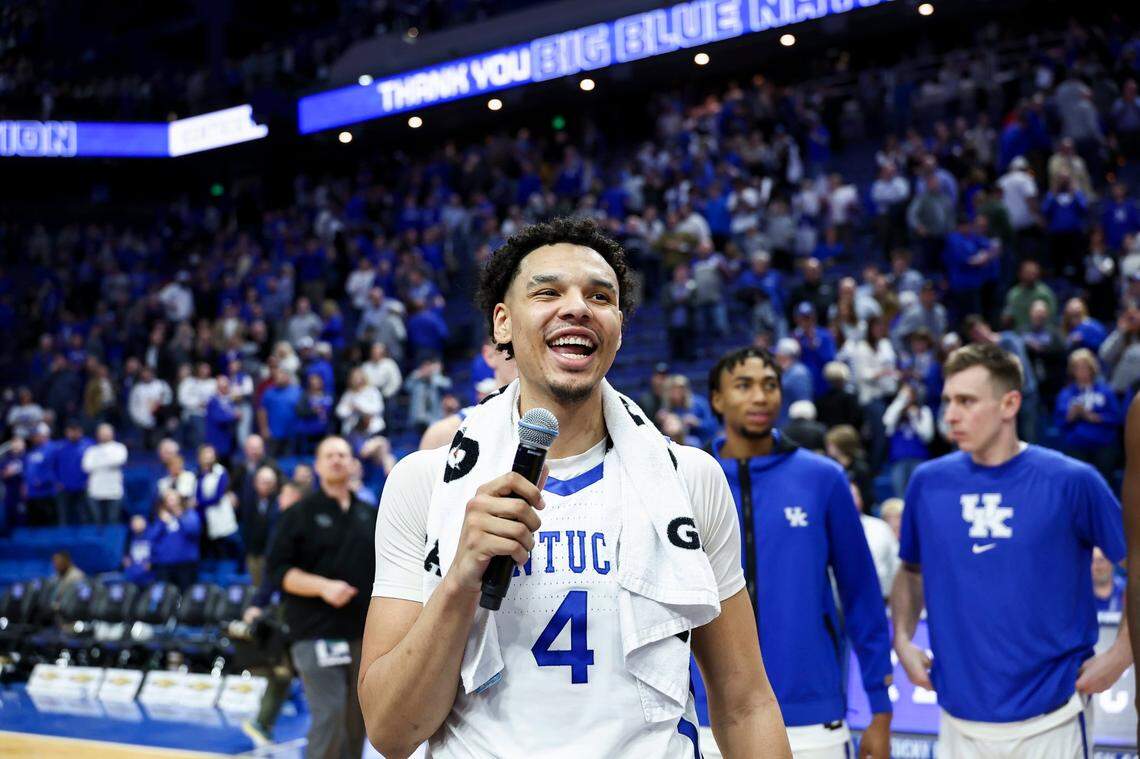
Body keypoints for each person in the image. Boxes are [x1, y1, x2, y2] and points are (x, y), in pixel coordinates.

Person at [360, 219, 790, 758]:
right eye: (547, 292)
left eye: (600, 296)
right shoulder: (423, 484)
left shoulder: (690, 479)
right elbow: (391, 731)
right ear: (503, 324)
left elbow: (744, 702)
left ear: (617, 327)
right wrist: (459, 581)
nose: (578, 308)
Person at [892, 342, 1132, 758]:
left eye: (966, 401)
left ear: (1010, 403)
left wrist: (1125, 651)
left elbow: (1137, 562)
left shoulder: (1072, 481)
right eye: (948, 400)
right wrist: (902, 638)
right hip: (956, 720)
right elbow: (910, 570)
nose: (950, 414)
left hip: (1051, 719)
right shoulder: (927, 483)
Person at [707, 346, 892, 758]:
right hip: (707, 716)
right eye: (744, 385)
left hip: (812, 715)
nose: (760, 397)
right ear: (717, 399)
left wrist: (880, 708)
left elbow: (861, 593)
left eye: (769, 386)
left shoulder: (822, 478)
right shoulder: (688, 477)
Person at [266, 436, 376, 759]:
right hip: (315, 634)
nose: (337, 460)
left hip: (361, 636)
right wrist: (323, 587)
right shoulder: (299, 514)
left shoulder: (369, 514)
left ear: (353, 463)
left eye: (343, 454)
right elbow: (279, 572)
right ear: (317, 465)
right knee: (329, 716)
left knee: (357, 725)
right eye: (329, 455)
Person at [1054, 348, 1124, 483]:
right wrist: (1072, 414)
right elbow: (1059, 421)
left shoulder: (1105, 391)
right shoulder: (1066, 393)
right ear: (1072, 371)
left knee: (1104, 480)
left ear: (1092, 368)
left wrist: (1093, 417)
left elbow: (1117, 417)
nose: (1082, 371)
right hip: (1077, 444)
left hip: (1103, 443)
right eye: (1077, 368)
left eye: (1085, 367)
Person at [149, 489, 201, 590]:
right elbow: (151, 537)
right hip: (165, 564)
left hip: (185, 563)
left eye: (174, 499)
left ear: (179, 500)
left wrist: (180, 517)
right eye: (168, 499)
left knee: (185, 595)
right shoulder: (161, 517)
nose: (171, 502)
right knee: (166, 597)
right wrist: (162, 523)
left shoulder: (189, 514)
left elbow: (193, 531)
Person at [81, 423, 128, 525]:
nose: (104, 435)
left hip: (114, 491)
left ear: (112, 434)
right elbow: (86, 467)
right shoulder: (91, 450)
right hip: (95, 491)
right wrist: (108, 462)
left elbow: (119, 460)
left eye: (107, 433)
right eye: (102, 433)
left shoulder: (119, 448)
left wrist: (97, 463)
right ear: (97, 435)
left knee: (113, 521)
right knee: (96, 521)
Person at [1092, 548, 1126, 614]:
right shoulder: (1079, 595)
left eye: (1101, 561)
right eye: (1092, 561)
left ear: (1111, 563)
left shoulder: (1127, 589)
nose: (1098, 567)